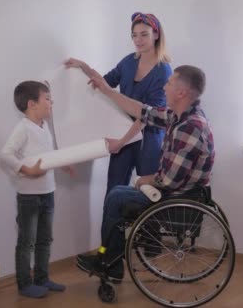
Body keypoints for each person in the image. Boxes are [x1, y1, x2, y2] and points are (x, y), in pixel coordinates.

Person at [76, 65, 215, 283]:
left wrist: (144, 180)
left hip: (177, 202)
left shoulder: (189, 127)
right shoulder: (181, 116)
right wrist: (107, 90)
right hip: (183, 195)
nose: (164, 86)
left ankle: (108, 261)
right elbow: (142, 111)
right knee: (118, 193)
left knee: (116, 197)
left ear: (181, 92)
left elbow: (167, 180)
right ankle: (110, 258)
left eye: (169, 83)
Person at [65, 12, 172, 196]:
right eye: (134, 35)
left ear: (156, 34)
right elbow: (104, 84)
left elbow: (149, 115)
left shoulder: (163, 70)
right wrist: (84, 67)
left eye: (144, 34)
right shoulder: (129, 61)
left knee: (147, 194)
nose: (138, 40)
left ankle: (141, 226)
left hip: (147, 139)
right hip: (122, 134)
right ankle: (113, 226)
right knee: (114, 191)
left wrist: (121, 142)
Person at [0, 81, 74, 298]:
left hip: (48, 192)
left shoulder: (44, 127)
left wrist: (63, 162)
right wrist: (27, 170)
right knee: (27, 242)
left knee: (45, 239)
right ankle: (24, 284)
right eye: (48, 99)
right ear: (32, 104)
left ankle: (42, 278)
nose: (52, 103)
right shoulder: (23, 128)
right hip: (29, 197)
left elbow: (47, 156)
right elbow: (5, 155)